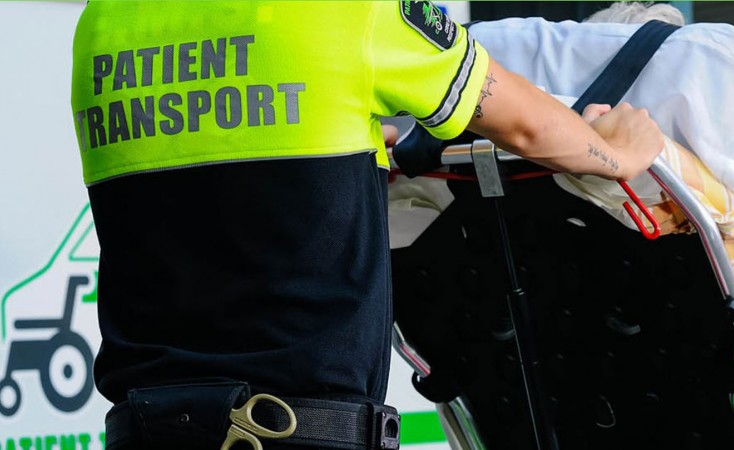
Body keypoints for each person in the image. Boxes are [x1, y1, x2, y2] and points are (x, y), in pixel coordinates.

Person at [69, 1, 663, 448]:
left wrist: (350, 147)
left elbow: (215, 159)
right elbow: (527, 128)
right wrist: (617, 151)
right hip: (295, 429)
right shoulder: (350, 10)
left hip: (147, 427)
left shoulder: (103, 21)